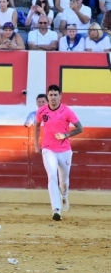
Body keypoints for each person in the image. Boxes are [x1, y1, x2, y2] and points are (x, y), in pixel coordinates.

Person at [34, 84, 84, 220]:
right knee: (52, 176)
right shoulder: (42, 111)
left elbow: (80, 128)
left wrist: (65, 135)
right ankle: (56, 209)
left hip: (65, 150)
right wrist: (36, 144)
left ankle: (65, 196)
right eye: (51, 95)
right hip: (48, 148)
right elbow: (37, 126)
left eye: (56, 95)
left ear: (60, 96)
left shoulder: (67, 111)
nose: (53, 97)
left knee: (64, 181)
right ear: (48, 96)